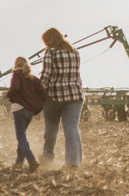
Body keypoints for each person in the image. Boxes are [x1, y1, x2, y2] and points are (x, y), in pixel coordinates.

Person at [40, 27, 84, 167]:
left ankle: (48, 157)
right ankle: (73, 162)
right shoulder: (74, 51)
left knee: (51, 127)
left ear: (49, 40)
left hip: (54, 96)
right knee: (71, 127)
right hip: (75, 95)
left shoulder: (50, 52)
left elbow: (46, 75)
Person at [6, 56, 47, 172]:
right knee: (22, 136)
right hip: (30, 112)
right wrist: (36, 104)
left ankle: (31, 160)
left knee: (21, 137)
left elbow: (14, 88)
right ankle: (19, 162)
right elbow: (44, 94)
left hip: (19, 109)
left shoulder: (17, 75)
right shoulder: (33, 78)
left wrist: (7, 95)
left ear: (16, 64)